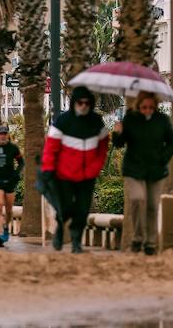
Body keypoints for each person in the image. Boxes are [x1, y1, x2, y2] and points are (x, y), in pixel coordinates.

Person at [43, 86, 110, 254]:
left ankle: (76, 242)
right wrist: (48, 169)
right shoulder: (62, 121)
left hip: (87, 176)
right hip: (64, 174)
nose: (84, 106)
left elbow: (102, 149)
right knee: (64, 209)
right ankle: (60, 231)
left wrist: (95, 168)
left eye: (87, 103)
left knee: (82, 210)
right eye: (80, 103)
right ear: (74, 103)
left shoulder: (97, 122)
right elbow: (51, 148)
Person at [113, 91, 173, 255]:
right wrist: (117, 132)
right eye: (143, 107)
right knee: (137, 199)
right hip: (134, 169)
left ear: (155, 106)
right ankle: (137, 238)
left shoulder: (162, 120)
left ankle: (150, 243)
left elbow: (172, 142)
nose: (147, 110)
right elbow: (119, 144)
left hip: (156, 169)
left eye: (150, 107)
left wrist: (163, 158)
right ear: (138, 106)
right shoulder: (130, 119)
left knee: (153, 206)